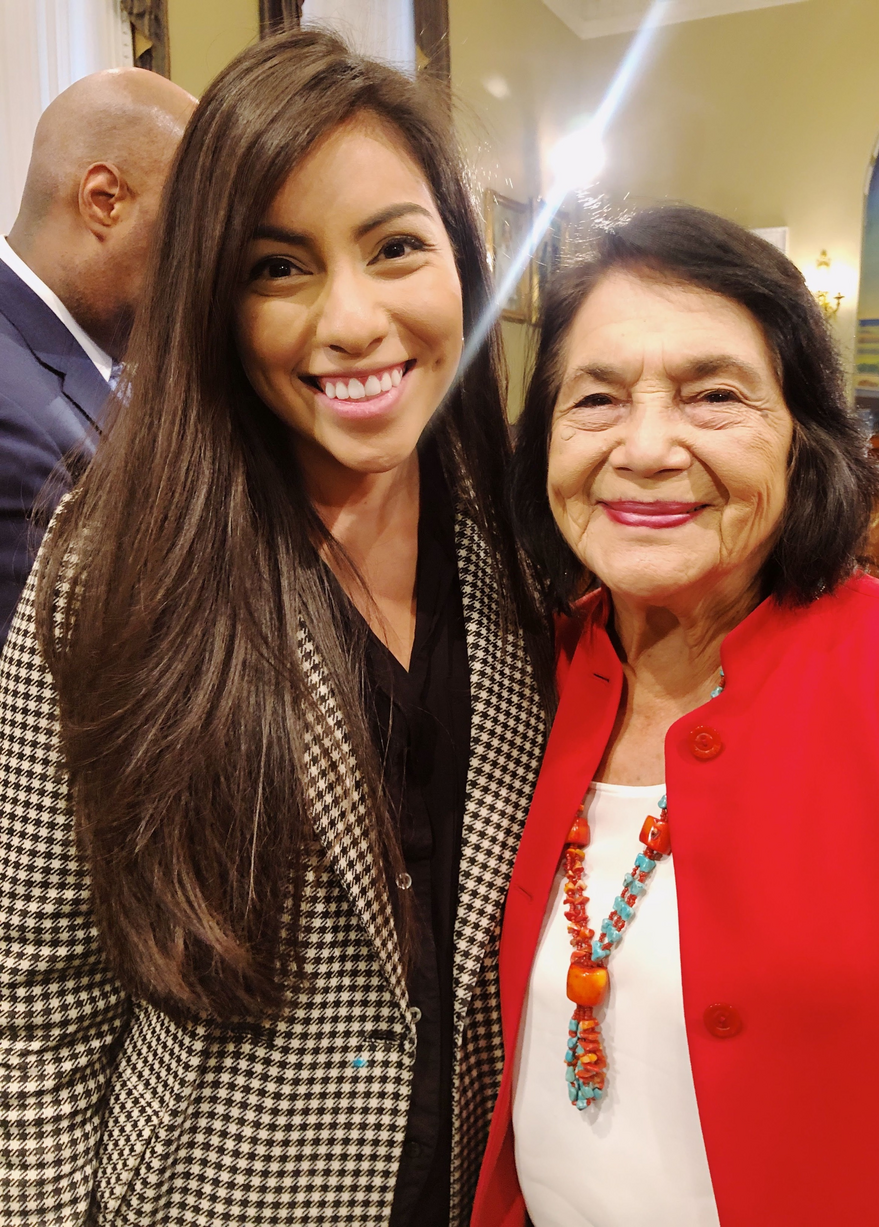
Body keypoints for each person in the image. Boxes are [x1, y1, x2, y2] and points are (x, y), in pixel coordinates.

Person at [0, 29, 549, 1227]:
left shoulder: (521, 546)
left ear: (462, 260)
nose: (351, 323)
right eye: (276, 268)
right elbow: (34, 1000)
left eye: (396, 248)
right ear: (211, 296)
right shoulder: (109, 561)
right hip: (213, 1193)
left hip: (481, 1184)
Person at [471, 205, 879, 1227]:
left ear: (803, 435)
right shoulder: (523, 680)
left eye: (712, 395)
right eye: (594, 400)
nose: (645, 448)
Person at [0, 67, 195, 647]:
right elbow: (58, 699)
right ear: (104, 200)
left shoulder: (89, 360)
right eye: (188, 227)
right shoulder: (13, 419)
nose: (201, 265)